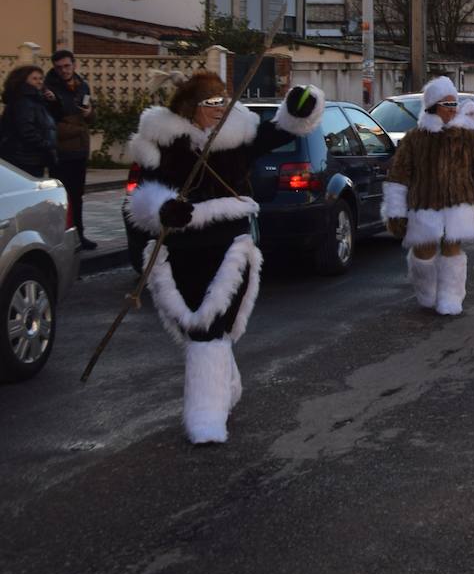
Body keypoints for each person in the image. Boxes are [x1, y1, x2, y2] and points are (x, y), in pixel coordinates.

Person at [124, 72, 324, 444]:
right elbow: (141, 195)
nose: (220, 110)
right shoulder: (162, 146)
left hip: (229, 246)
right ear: (190, 109)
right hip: (181, 251)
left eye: (223, 102)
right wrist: (163, 209)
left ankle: (207, 412)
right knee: (206, 334)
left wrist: (301, 105)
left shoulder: (237, 140)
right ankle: (217, 397)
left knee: (210, 331)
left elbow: (280, 131)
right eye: (211, 104)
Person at [382, 77, 474, 315]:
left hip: (459, 205)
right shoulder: (414, 139)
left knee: (452, 249)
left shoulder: (467, 137)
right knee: (423, 252)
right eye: (447, 104)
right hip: (424, 205)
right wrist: (395, 212)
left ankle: (451, 298)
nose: (453, 109)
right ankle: (427, 292)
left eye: (455, 103)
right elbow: (398, 178)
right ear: (433, 106)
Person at [44, 50, 97, 250]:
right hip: (62, 153)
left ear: (74, 65)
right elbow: (51, 126)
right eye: (59, 67)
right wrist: (78, 128)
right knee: (62, 199)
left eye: (67, 66)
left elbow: (90, 117)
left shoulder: (82, 85)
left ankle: (79, 236)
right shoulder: (49, 91)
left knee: (77, 196)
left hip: (80, 152)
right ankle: (63, 240)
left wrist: (90, 113)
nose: (64, 70)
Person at [0, 64, 57, 178]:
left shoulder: (34, 99)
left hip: (28, 157)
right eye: (34, 78)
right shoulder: (25, 101)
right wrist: (46, 144)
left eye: (41, 78)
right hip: (25, 158)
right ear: (23, 80)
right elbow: (26, 130)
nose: (39, 82)